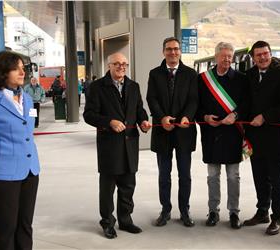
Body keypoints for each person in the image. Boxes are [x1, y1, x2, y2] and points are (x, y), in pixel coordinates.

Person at [83, 52, 152, 239]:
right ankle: (107, 222)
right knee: (108, 187)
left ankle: (125, 220)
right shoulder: (97, 87)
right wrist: (109, 122)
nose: (121, 67)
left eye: (124, 64)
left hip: (130, 144)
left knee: (128, 185)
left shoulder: (134, 86)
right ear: (109, 65)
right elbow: (89, 115)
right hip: (109, 145)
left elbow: (139, 110)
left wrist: (144, 122)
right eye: (117, 64)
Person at [243, 40, 280, 235]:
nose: (263, 57)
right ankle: (262, 211)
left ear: (270, 54)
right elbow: (245, 102)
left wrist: (265, 117)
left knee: (276, 179)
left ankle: (277, 217)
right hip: (254, 137)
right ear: (253, 58)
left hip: (275, 138)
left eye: (266, 53)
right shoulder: (248, 76)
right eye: (258, 55)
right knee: (259, 177)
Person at [0, 51, 41, 249]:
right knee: (6, 228)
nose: (22, 72)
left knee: (25, 225)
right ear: (3, 72)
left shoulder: (28, 99)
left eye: (23, 68)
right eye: (16, 68)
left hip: (30, 171)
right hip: (3, 174)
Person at [147, 37, 198, 227]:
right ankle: (165, 210)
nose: (173, 52)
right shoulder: (155, 74)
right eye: (169, 49)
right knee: (164, 175)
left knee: (184, 174)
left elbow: (194, 100)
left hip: (184, 131)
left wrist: (187, 117)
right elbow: (151, 99)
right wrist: (161, 118)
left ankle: (185, 211)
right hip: (163, 131)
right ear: (163, 52)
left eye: (176, 49)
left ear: (180, 51)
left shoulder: (191, 74)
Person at [197, 42, 248, 229]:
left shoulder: (241, 79)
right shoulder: (203, 79)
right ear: (216, 56)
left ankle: (234, 212)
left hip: (233, 134)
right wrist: (204, 116)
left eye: (230, 56)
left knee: (233, 176)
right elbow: (196, 105)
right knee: (212, 176)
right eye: (223, 56)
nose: (227, 59)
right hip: (211, 134)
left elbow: (247, 104)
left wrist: (235, 115)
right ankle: (213, 211)